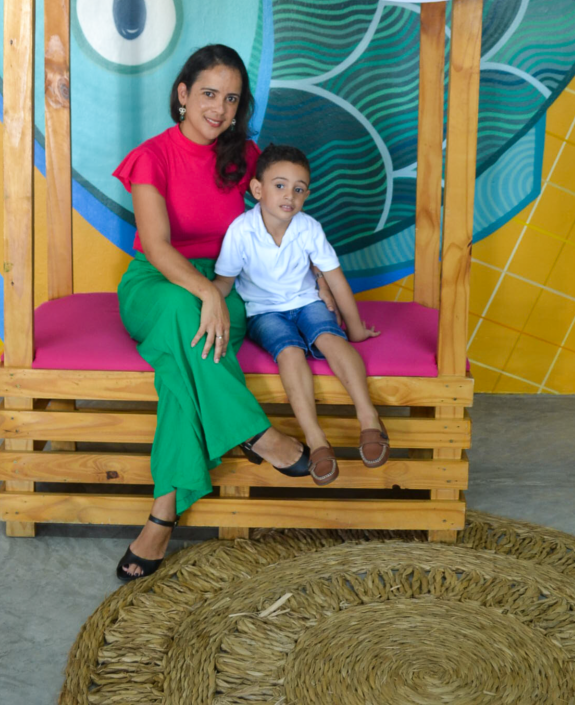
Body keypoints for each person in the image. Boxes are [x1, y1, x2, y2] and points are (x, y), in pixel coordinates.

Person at [113, 46, 311, 582]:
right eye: (208, 94)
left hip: (227, 284)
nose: (219, 108)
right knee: (184, 313)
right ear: (182, 94)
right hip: (159, 283)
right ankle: (254, 432)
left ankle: (162, 517)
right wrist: (206, 293)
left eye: (231, 99)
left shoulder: (246, 156)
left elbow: (282, 219)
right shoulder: (151, 156)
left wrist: (312, 279)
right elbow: (156, 245)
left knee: (179, 372)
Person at [214, 143, 390, 487]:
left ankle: (368, 417)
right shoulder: (241, 230)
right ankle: (316, 438)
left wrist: (354, 328)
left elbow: (335, 279)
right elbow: (224, 281)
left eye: (299, 189)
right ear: (257, 190)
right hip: (264, 312)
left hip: (307, 302)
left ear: (307, 195)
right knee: (290, 351)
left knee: (330, 338)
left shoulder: (308, 228)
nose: (289, 196)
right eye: (280, 185)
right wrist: (206, 298)